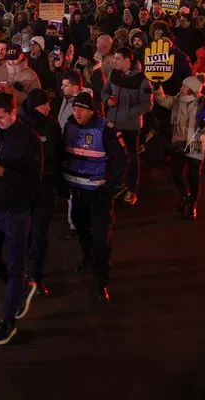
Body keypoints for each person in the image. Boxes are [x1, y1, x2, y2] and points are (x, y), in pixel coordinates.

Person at [0, 92, 42, 346]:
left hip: (16, 211)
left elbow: (34, 182)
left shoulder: (30, 140)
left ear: (14, 112)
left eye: (1, 118)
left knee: (15, 265)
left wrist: (3, 171)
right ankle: (24, 287)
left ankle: (8, 321)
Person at [62, 91, 125, 304]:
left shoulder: (105, 130)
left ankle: (101, 281)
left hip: (98, 193)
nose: (77, 112)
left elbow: (122, 159)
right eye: (75, 108)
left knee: (101, 238)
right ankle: (88, 257)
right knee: (80, 227)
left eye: (81, 109)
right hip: (78, 191)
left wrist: (109, 187)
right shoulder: (69, 126)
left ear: (92, 111)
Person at [19, 88, 63, 296]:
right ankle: (29, 274)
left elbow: (59, 155)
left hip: (41, 187)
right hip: (32, 187)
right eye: (46, 103)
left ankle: (33, 275)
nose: (49, 107)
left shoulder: (51, 125)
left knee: (37, 233)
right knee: (32, 233)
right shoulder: (23, 126)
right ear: (38, 105)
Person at [101, 47, 152, 206]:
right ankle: (114, 185)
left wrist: (130, 112)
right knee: (111, 155)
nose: (114, 61)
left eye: (117, 58)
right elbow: (105, 91)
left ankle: (132, 189)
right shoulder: (113, 74)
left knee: (132, 157)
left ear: (127, 60)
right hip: (112, 123)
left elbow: (147, 104)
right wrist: (108, 101)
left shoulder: (142, 80)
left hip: (130, 126)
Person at [154, 75, 205, 219]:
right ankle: (185, 196)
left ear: (191, 89)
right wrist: (157, 88)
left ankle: (192, 204)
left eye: (184, 86)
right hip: (179, 141)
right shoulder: (178, 99)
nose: (181, 88)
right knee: (176, 173)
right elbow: (163, 100)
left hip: (195, 143)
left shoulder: (202, 103)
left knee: (193, 175)